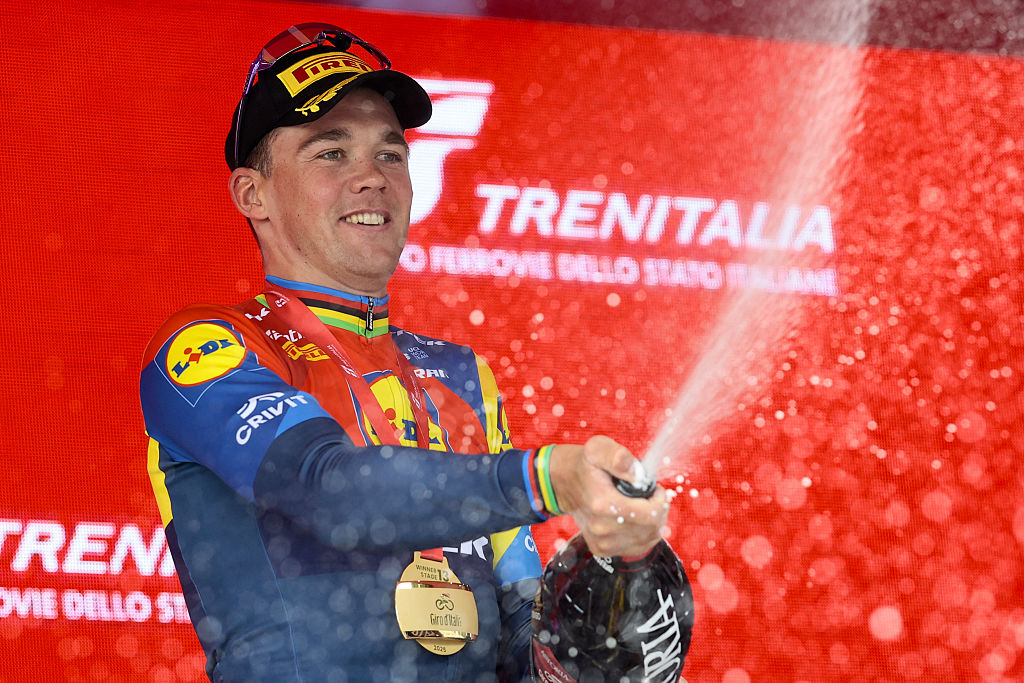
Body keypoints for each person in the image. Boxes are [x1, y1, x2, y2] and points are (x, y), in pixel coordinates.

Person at [139, 23, 668, 682]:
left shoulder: (461, 376)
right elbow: (330, 492)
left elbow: (519, 637)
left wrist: (610, 604)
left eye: (390, 154)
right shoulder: (209, 345)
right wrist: (545, 478)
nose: (371, 178)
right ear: (254, 194)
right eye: (331, 152)